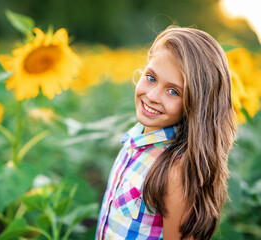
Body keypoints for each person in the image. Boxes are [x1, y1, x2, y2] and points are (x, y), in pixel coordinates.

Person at [95, 26, 237, 240]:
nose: (152, 96)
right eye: (151, 78)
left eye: (173, 91)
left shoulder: (175, 172)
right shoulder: (134, 141)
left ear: (196, 104)